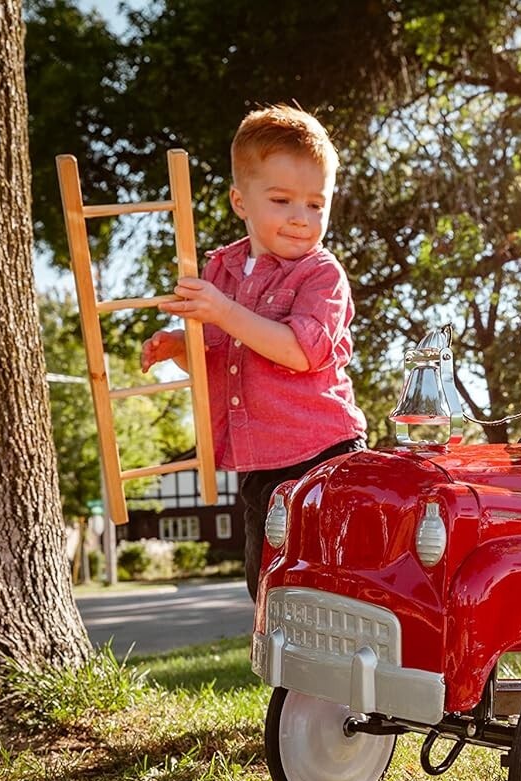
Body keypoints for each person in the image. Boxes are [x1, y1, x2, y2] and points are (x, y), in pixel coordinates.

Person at [140, 104, 366, 598]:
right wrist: (182, 347)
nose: (301, 219)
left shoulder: (321, 275)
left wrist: (221, 310)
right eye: (282, 200)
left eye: (315, 204)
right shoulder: (222, 269)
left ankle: (343, 673)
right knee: (265, 585)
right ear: (241, 201)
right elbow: (222, 355)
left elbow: (299, 352)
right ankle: (288, 677)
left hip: (322, 458)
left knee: (328, 586)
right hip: (261, 466)